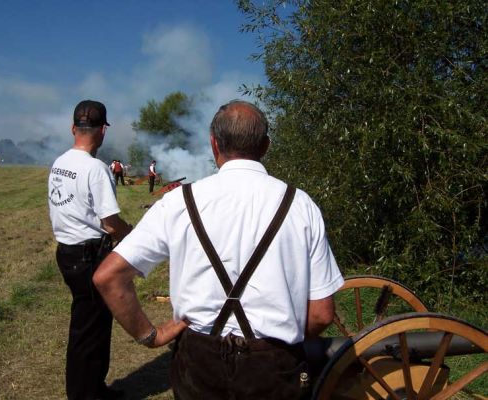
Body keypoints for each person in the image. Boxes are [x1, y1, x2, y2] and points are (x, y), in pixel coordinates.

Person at [93, 100, 344, 400]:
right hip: (274, 367)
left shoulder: (178, 202)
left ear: (213, 144)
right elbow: (321, 313)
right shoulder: (300, 205)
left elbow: (108, 276)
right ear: (265, 146)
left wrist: (152, 336)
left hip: (199, 365)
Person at [48, 100, 132, 400]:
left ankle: (92, 388)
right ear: (103, 131)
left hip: (68, 253)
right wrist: (135, 236)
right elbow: (110, 224)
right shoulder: (96, 169)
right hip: (89, 256)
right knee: (92, 331)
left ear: (73, 128)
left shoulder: (60, 162)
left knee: (86, 326)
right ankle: (87, 394)